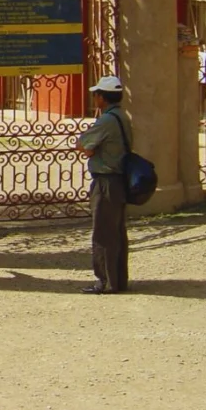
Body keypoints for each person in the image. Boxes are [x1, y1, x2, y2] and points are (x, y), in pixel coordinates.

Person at [77, 75, 131, 295]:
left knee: (103, 233)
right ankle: (118, 279)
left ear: (103, 97)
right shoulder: (121, 116)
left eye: (96, 93)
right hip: (118, 179)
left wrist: (90, 149)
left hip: (106, 181)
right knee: (116, 232)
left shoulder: (107, 120)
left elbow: (83, 144)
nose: (94, 97)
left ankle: (106, 281)